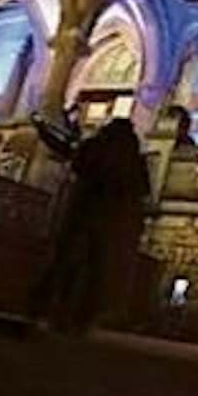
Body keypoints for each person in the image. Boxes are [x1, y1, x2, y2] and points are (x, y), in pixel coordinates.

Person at [28, 117, 151, 335]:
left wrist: (42, 130)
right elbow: (143, 191)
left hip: (81, 212)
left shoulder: (96, 147)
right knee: (96, 270)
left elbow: (68, 153)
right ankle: (82, 318)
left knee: (63, 262)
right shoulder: (133, 159)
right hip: (108, 222)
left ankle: (43, 308)